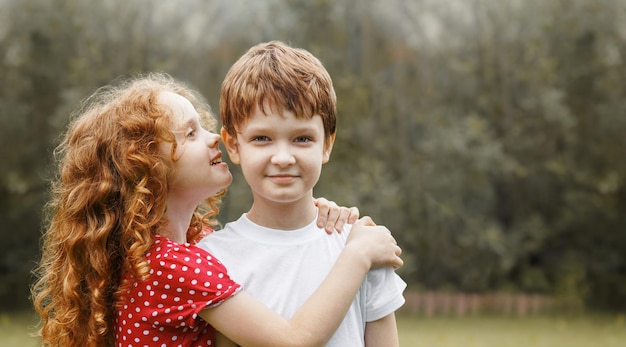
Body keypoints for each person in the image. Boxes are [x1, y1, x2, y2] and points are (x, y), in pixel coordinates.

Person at [30, 73, 404, 347]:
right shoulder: (175, 264)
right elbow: (293, 342)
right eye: (190, 133)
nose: (214, 138)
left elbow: (276, 243)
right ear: (146, 167)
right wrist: (357, 253)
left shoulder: (184, 248)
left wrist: (326, 215)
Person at [197, 41, 407, 347]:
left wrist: (359, 250)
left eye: (302, 138)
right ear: (233, 145)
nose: (283, 157)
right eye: (262, 138)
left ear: (327, 144)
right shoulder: (212, 258)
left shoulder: (363, 244)